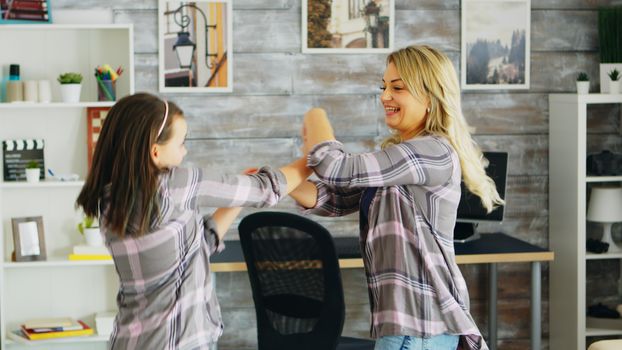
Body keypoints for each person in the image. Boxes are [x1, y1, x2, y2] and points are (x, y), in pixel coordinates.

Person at [290, 45, 504, 350]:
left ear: (430, 97)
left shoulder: (432, 151)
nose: (384, 96)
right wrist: (278, 181)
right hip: (414, 327)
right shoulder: (401, 158)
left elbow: (336, 168)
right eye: (384, 86)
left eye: (398, 88)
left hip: (418, 326)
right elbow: (335, 198)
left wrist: (316, 116)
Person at [75, 93, 311, 350]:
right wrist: (313, 158)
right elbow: (266, 189)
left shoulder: (112, 200)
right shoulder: (175, 186)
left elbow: (194, 249)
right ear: (155, 151)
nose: (185, 151)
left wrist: (236, 201)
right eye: (181, 143)